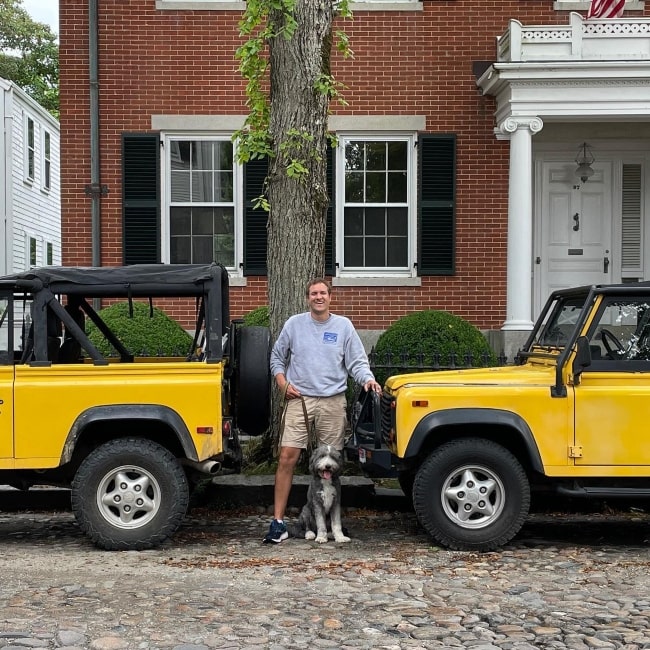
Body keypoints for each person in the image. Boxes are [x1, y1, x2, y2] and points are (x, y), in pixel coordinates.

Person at [263, 278, 382, 544]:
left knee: (331, 467)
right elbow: (277, 358)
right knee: (287, 457)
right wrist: (283, 384)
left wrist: (368, 379)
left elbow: (357, 362)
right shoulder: (294, 324)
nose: (319, 297)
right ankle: (278, 523)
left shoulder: (343, 326)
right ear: (308, 298)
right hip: (300, 400)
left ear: (330, 297)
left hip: (332, 401)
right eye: (314, 293)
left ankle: (331, 525)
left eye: (323, 293)